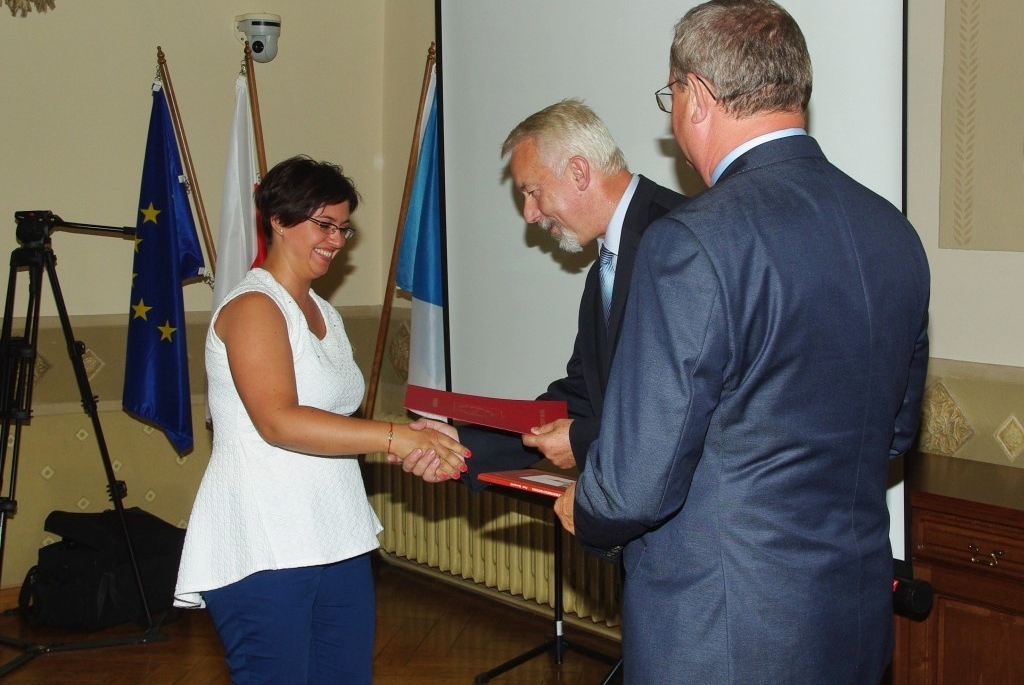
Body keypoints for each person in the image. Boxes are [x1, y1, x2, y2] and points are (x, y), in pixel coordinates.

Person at [553, 2, 931, 684]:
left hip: (721, 636)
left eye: (671, 97)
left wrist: (585, 506)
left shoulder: (692, 241)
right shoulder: (892, 233)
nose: (673, 117)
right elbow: (895, 433)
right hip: (851, 623)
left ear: (697, 97)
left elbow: (638, 482)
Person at [173, 156, 470, 685]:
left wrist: (416, 437)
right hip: (264, 539)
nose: (336, 240)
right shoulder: (253, 308)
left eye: (343, 227)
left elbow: (334, 419)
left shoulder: (322, 311)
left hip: (335, 531)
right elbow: (280, 421)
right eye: (324, 224)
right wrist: (394, 438)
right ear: (279, 221)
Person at [399, 99, 685, 485]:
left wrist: (582, 441)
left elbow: (686, 405)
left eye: (533, 191)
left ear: (579, 172)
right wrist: (464, 444)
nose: (529, 214)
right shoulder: (607, 263)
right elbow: (583, 397)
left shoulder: (680, 239)